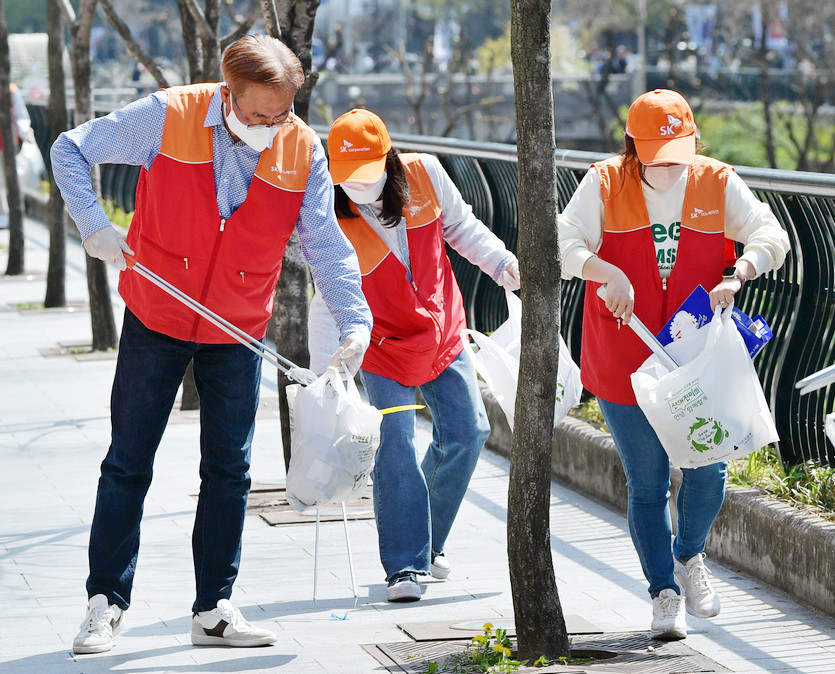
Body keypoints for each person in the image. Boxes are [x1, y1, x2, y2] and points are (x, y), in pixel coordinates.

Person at [50, 35, 372, 654]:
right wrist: (94, 226)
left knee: (230, 470)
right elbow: (71, 148)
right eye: (259, 115)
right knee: (128, 461)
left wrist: (354, 322)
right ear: (227, 94)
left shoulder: (303, 148)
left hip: (237, 328)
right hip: (156, 313)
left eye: (283, 114)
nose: (272, 127)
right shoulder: (167, 115)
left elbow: (327, 244)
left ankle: (213, 609)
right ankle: (104, 603)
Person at [558, 89, 789, 639]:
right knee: (647, 482)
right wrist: (605, 272)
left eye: (678, 155)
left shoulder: (717, 180)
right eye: (656, 158)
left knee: (710, 470)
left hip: (695, 357)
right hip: (624, 352)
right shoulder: (605, 182)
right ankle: (663, 592)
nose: (668, 168)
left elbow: (772, 235)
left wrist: (739, 273)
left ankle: (689, 556)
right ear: (633, 147)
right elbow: (562, 243)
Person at [307, 109, 520, 602]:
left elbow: (462, 228)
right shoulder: (328, 210)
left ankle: (428, 540)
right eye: (347, 175)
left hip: (442, 330)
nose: (358, 185)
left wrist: (502, 264)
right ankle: (405, 565)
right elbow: (326, 297)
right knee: (397, 443)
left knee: (469, 431)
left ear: (389, 158)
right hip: (382, 345)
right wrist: (325, 376)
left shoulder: (425, 174)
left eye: (367, 172)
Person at [0, 83, 34, 228]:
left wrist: (25, 134)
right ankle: (3, 215)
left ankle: (13, 214)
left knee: (11, 180)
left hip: (8, 145)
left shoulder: (11, 89)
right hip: (7, 143)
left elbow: (21, 117)